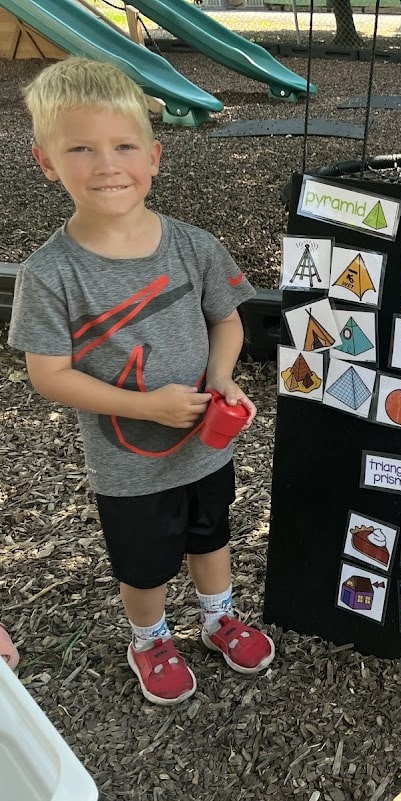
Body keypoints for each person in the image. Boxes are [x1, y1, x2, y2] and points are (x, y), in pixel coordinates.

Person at [7, 58, 274, 705]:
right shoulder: (50, 274)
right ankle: (150, 637)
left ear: (154, 157)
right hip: (128, 466)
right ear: (46, 162)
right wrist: (143, 403)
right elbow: (49, 376)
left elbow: (227, 320)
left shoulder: (192, 245)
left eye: (124, 145)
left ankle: (217, 617)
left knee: (212, 534)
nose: (107, 164)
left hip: (206, 444)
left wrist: (220, 377)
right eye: (81, 149)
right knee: (145, 561)